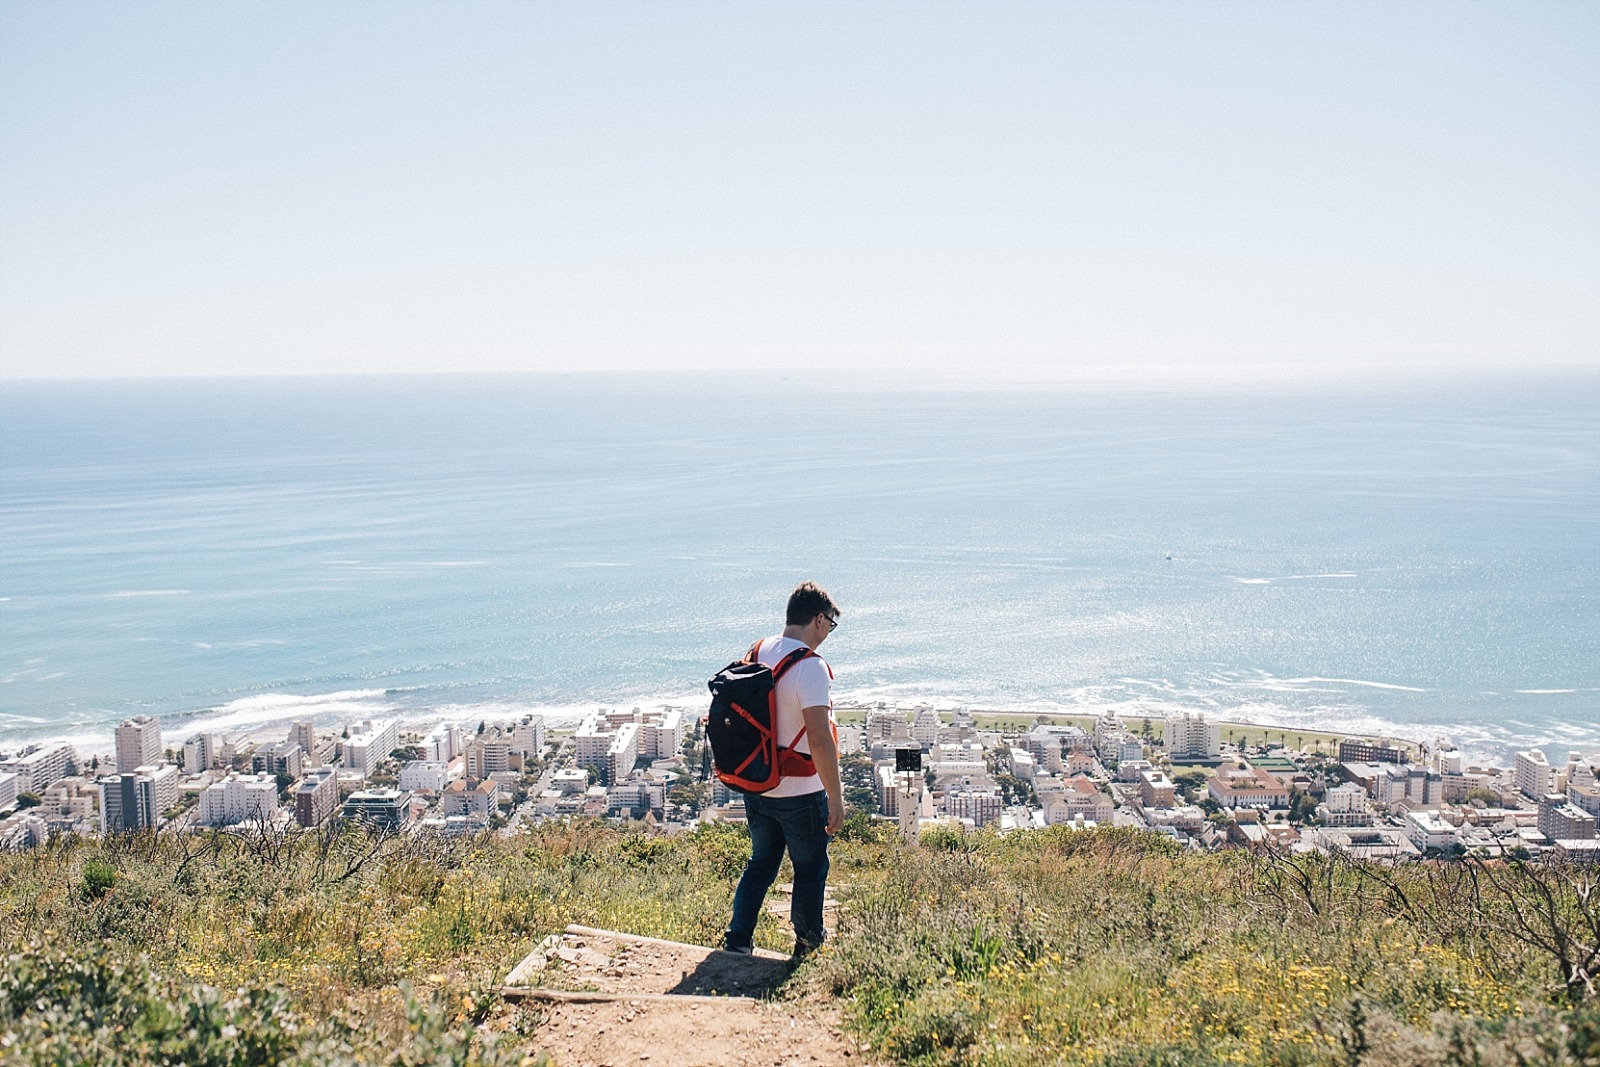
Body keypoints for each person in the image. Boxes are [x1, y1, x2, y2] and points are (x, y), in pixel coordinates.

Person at [723, 581, 844, 959]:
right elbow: (821, 740)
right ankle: (807, 945)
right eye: (831, 626)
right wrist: (836, 798)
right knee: (809, 869)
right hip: (800, 792)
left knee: (761, 862)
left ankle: (738, 939)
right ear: (819, 620)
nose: (828, 635)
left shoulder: (758, 650)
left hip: (758, 783)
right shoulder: (811, 668)